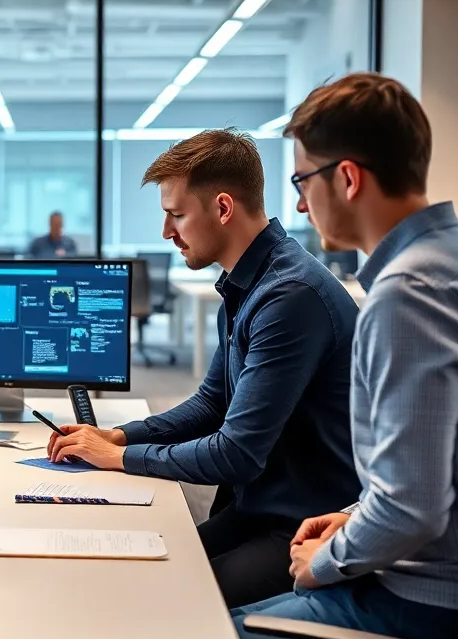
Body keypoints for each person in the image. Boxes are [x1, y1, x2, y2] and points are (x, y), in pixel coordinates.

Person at [110, 74, 458, 639]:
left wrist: (330, 559)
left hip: (416, 615)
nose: (302, 205)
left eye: (303, 182)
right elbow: (443, 478)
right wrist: (350, 519)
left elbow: (413, 508)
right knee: (176, 619)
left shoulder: (412, 293)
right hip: (456, 592)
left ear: (346, 178)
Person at [47, 128, 361, 609]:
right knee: (136, 574)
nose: (166, 233)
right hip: (260, 507)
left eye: (176, 215)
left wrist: (120, 459)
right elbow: (213, 403)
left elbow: (236, 454)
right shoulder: (248, 286)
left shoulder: (290, 297)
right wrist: (122, 437)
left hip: (305, 526)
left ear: (222, 208)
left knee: (160, 605)